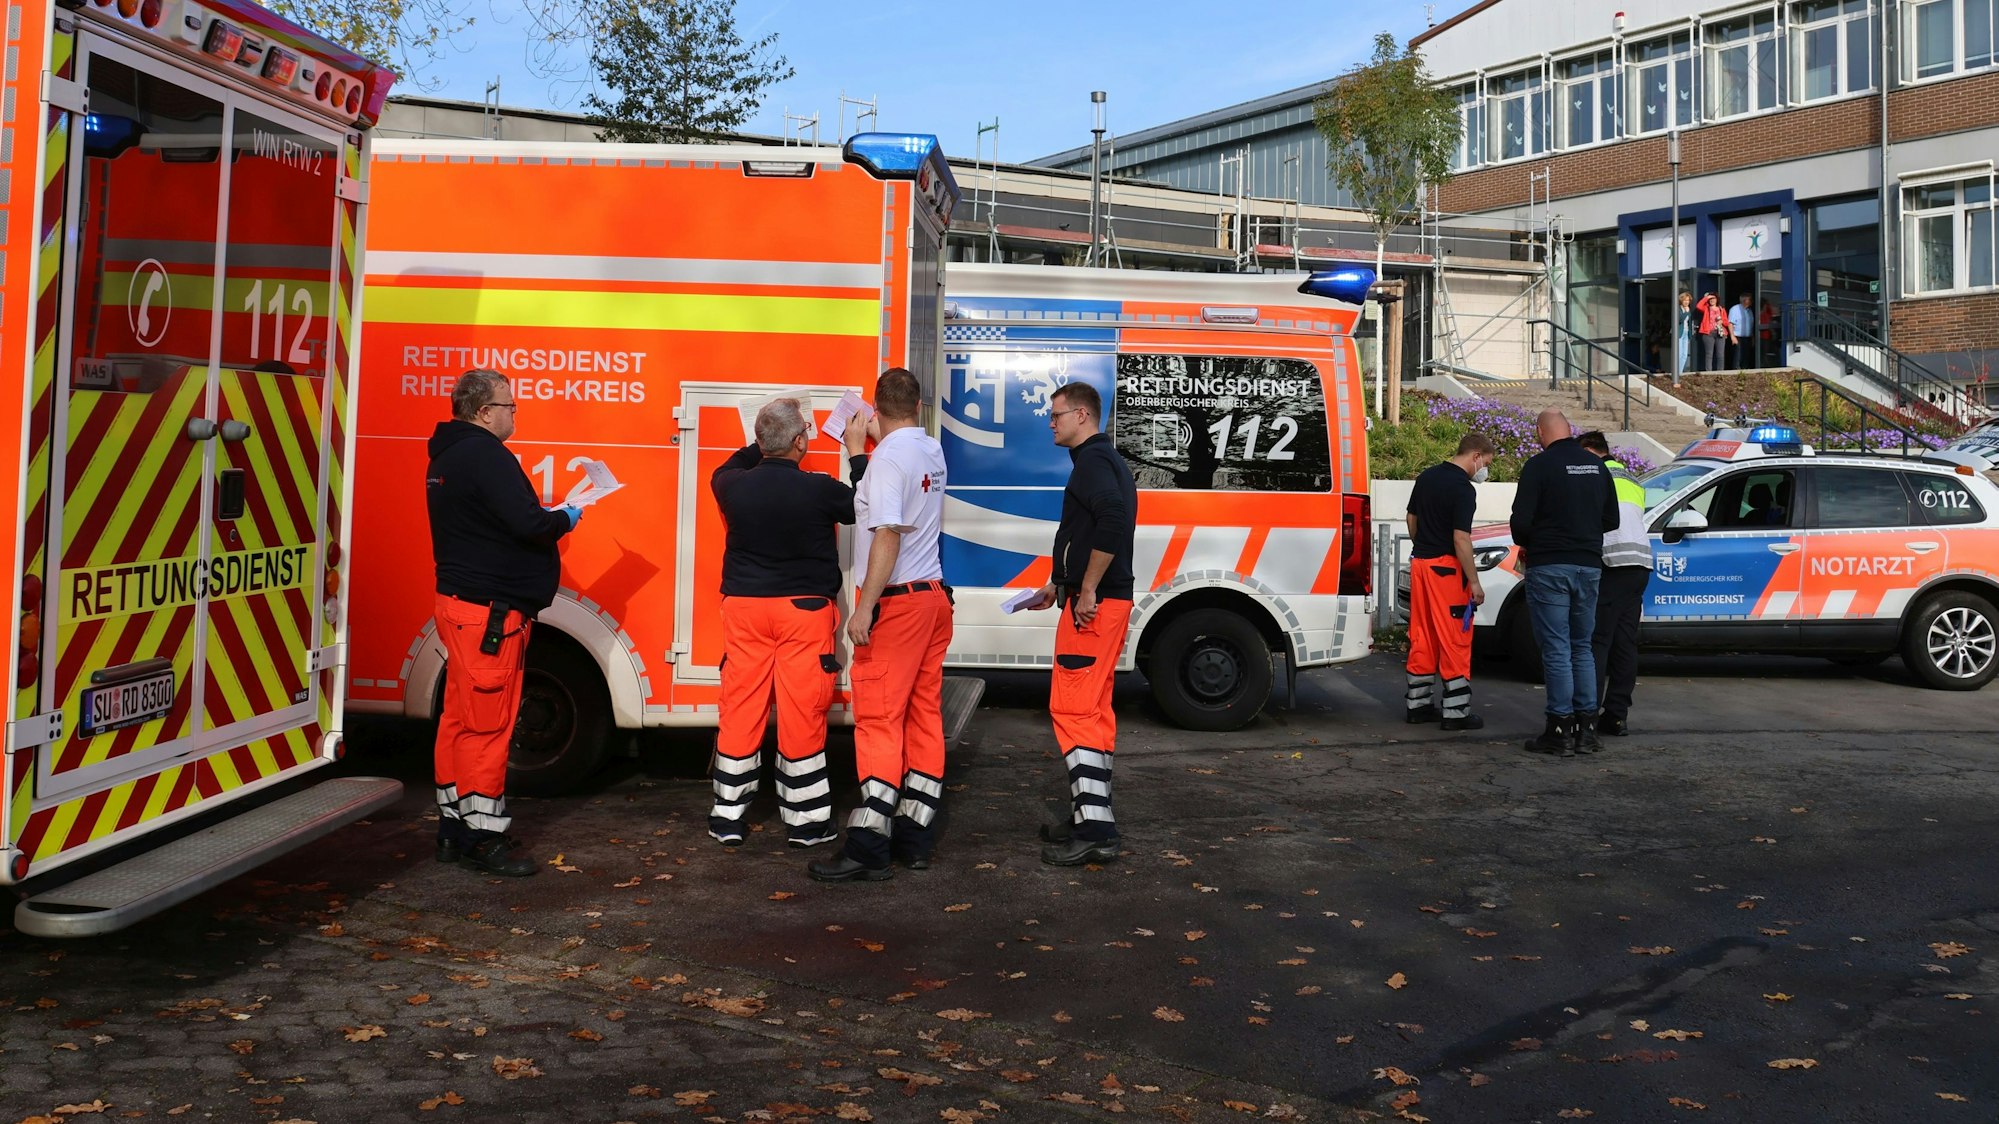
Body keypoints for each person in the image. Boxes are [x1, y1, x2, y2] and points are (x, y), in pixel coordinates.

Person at [426, 370, 581, 877]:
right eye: (510, 406)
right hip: (490, 615)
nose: (515, 413)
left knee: (458, 719)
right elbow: (529, 523)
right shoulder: (487, 456)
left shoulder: (447, 454)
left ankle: (453, 828)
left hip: (459, 605)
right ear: (484, 411)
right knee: (488, 728)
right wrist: (565, 517)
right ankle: (483, 839)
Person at [708, 397, 871, 849]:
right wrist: (858, 454)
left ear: (761, 443)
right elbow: (866, 505)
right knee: (802, 710)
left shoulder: (731, 485)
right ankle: (807, 822)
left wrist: (762, 435)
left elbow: (729, 464)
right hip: (802, 612)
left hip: (743, 608)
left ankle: (727, 817)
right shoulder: (819, 488)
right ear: (801, 442)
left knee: (741, 707)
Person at [811, 370, 954, 883]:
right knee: (922, 718)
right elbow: (877, 494)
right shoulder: (929, 451)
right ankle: (915, 839)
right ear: (918, 405)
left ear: (874, 407)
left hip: (897, 605)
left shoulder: (889, 459)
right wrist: (864, 453)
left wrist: (864, 607)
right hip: (934, 600)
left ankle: (870, 846)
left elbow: (886, 532)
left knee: (878, 721)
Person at [1015, 382, 1138, 866]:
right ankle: (1090, 815)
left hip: (1096, 605)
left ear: (1082, 415)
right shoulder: (1102, 461)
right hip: (1100, 601)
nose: (1051, 422)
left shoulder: (1092, 463)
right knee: (1095, 710)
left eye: (1057, 414)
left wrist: (1086, 589)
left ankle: (1098, 831)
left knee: (1073, 711)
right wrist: (1058, 583)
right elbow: (1089, 530)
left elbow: (1112, 520)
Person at [1510, 408, 1618, 757]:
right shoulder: (1597, 466)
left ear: (1542, 432)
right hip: (1588, 566)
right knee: (1582, 646)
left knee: (1556, 648)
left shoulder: (1538, 466)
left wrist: (1544, 536)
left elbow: (1520, 524)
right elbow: (1611, 518)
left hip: (1550, 565)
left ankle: (1559, 729)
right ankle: (1587, 730)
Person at [1402, 433, 1498, 731]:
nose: (1485, 470)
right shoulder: (1463, 489)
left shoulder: (1427, 477)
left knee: (1422, 635)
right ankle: (1456, 712)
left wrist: (1424, 547)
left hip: (1421, 565)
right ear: (1476, 456)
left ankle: (1418, 706)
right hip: (1446, 570)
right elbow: (1461, 538)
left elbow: (1410, 518)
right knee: (1454, 638)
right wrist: (1475, 582)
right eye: (1487, 463)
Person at [1577, 431, 1651, 738]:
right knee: (1624, 644)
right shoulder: (1632, 478)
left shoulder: (1594, 472)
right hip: (1640, 565)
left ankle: (1588, 716)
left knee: (1598, 642)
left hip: (1611, 563)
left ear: (1591, 451)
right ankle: (1617, 716)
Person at [1695, 292, 1731, 373]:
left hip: (1720, 332)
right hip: (1708, 333)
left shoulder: (1721, 309)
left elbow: (1726, 322)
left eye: (1713, 298)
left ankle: (1720, 372)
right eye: (1710, 299)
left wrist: (1722, 321)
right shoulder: (1706, 308)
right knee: (1709, 354)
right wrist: (1706, 298)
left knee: (1720, 354)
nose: (1712, 300)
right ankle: (1709, 372)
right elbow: (1698, 306)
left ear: (1717, 299)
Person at [1728, 293, 1756, 369]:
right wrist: (1732, 336)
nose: (1751, 301)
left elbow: (1751, 325)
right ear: (1744, 300)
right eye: (1749, 299)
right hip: (1738, 337)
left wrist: (1753, 337)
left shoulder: (1750, 311)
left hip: (1747, 337)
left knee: (1746, 356)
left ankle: (1745, 370)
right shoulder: (1735, 309)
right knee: (1738, 356)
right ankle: (1736, 371)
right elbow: (1730, 323)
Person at [1673, 291, 1694, 385]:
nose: (1686, 302)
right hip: (1679, 333)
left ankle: (1680, 372)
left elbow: (1689, 322)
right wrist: (1686, 312)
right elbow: (1679, 319)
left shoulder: (1689, 309)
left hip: (1686, 332)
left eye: (1688, 300)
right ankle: (1676, 373)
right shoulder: (1678, 309)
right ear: (1681, 300)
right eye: (1685, 300)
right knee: (1679, 353)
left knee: (1684, 355)